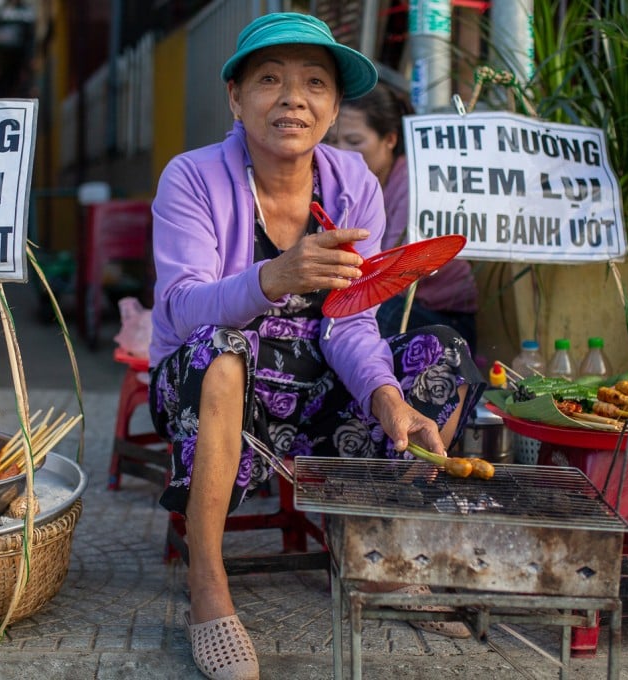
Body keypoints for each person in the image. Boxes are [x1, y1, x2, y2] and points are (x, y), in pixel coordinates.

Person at [148, 13, 485, 680]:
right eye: (269, 79)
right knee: (222, 347)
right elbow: (181, 311)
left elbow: (350, 320)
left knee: (440, 352)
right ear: (236, 98)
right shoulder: (192, 178)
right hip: (208, 387)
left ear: (332, 107)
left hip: (315, 384)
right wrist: (273, 276)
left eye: (314, 83)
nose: (293, 98)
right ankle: (208, 589)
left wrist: (386, 397)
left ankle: (385, 554)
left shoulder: (352, 182)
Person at [327, 83, 480, 352]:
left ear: (390, 139)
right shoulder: (350, 186)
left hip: (443, 321)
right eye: (331, 141)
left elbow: (386, 278)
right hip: (394, 304)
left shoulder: (414, 184)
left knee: (360, 316)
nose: (340, 152)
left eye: (354, 142)